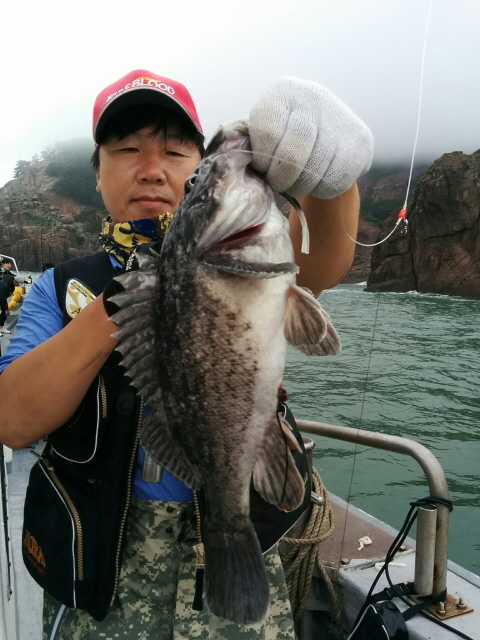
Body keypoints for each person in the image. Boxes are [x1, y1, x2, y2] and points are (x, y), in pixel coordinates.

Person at [0, 69, 372, 639]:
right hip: (104, 566)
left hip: (234, 535)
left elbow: (324, 260)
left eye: (175, 152)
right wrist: (133, 292)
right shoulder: (58, 288)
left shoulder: (251, 245)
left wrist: (334, 178)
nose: (152, 168)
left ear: (199, 164)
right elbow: (13, 420)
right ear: (96, 172)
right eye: (127, 150)